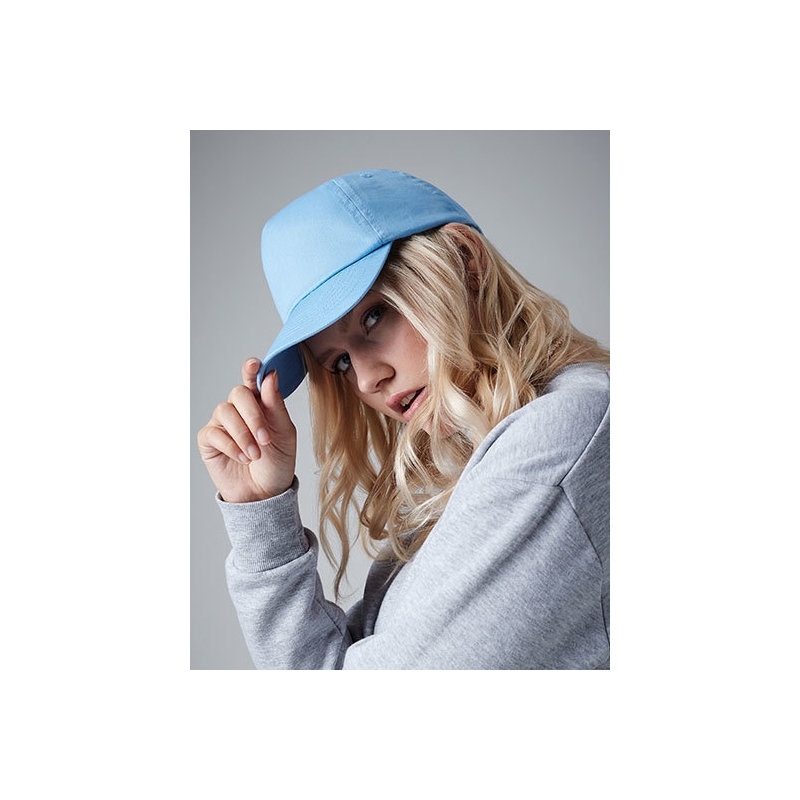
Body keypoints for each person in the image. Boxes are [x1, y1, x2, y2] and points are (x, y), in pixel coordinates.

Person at [197, 169, 610, 669]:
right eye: (340, 362)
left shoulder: (561, 441)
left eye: (374, 317)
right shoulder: (467, 482)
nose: (367, 379)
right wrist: (260, 508)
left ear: (465, 263)